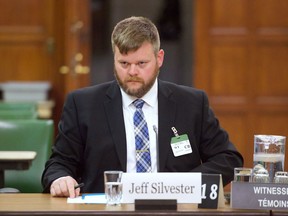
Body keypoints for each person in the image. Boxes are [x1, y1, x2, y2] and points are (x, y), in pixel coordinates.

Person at [42, 16, 243, 198]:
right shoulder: (83, 104)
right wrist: (60, 179)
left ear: (159, 59)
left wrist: (183, 185)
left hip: (174, 210)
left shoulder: (191, 103)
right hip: (106, 210)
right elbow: (59, 163)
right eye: (124, 63)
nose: (132, 72)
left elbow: (228, 158)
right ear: (114, 59)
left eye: (141, 63)